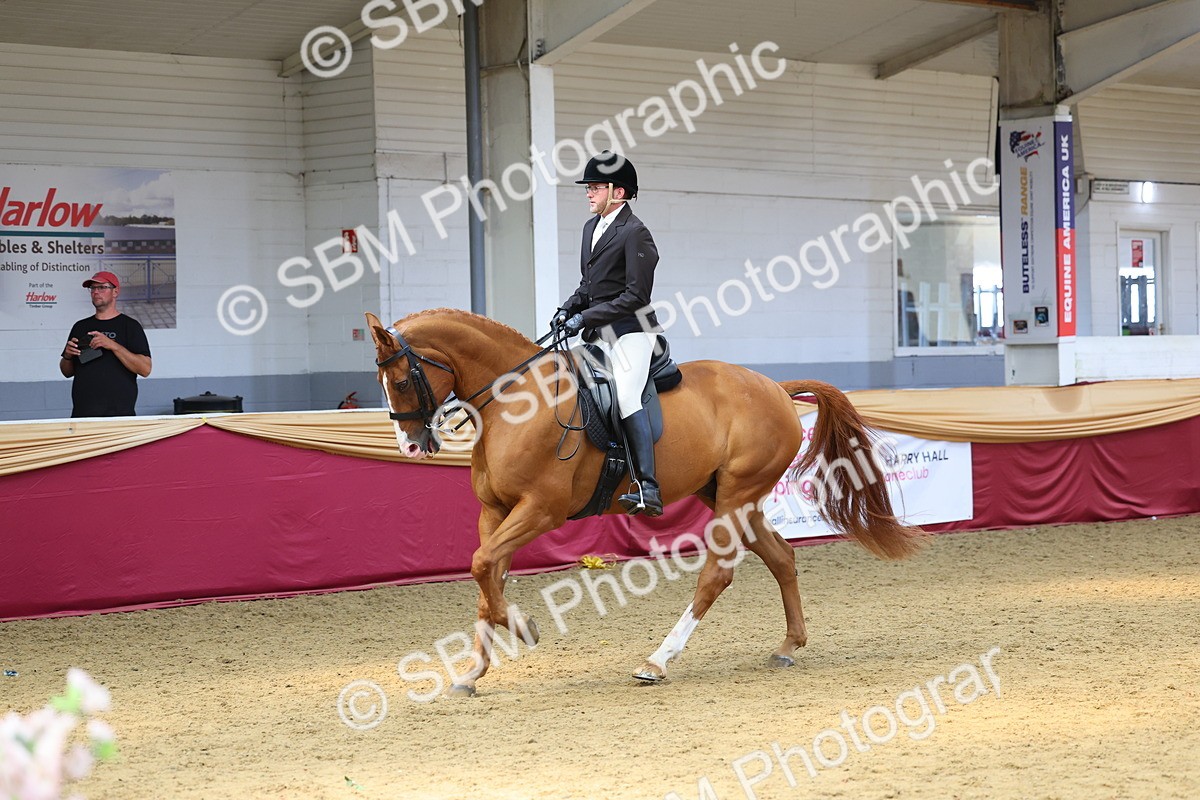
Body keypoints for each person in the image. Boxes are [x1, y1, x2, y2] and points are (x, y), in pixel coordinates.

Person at [552, 151, 664, 516]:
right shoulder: (591, 228)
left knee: (626, 395)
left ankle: (648, 486)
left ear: (618, 192)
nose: (589, 193)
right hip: (600, 332)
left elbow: (636, 295)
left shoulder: (636, 233)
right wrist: (568, 308)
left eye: (596, 187)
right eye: (589, 188)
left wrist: (585, 316)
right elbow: (589, 284)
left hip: (633, 330)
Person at [59, 271, 152, 417]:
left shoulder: (130, 326)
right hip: (83, 414)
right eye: (92, 288)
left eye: (102, 287)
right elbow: (66, 372)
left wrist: (112, 345)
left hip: (120, 414)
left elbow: (145, 369)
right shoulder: (80, 326)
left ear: (115, 292)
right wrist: (68, 356)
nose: (96, 292)